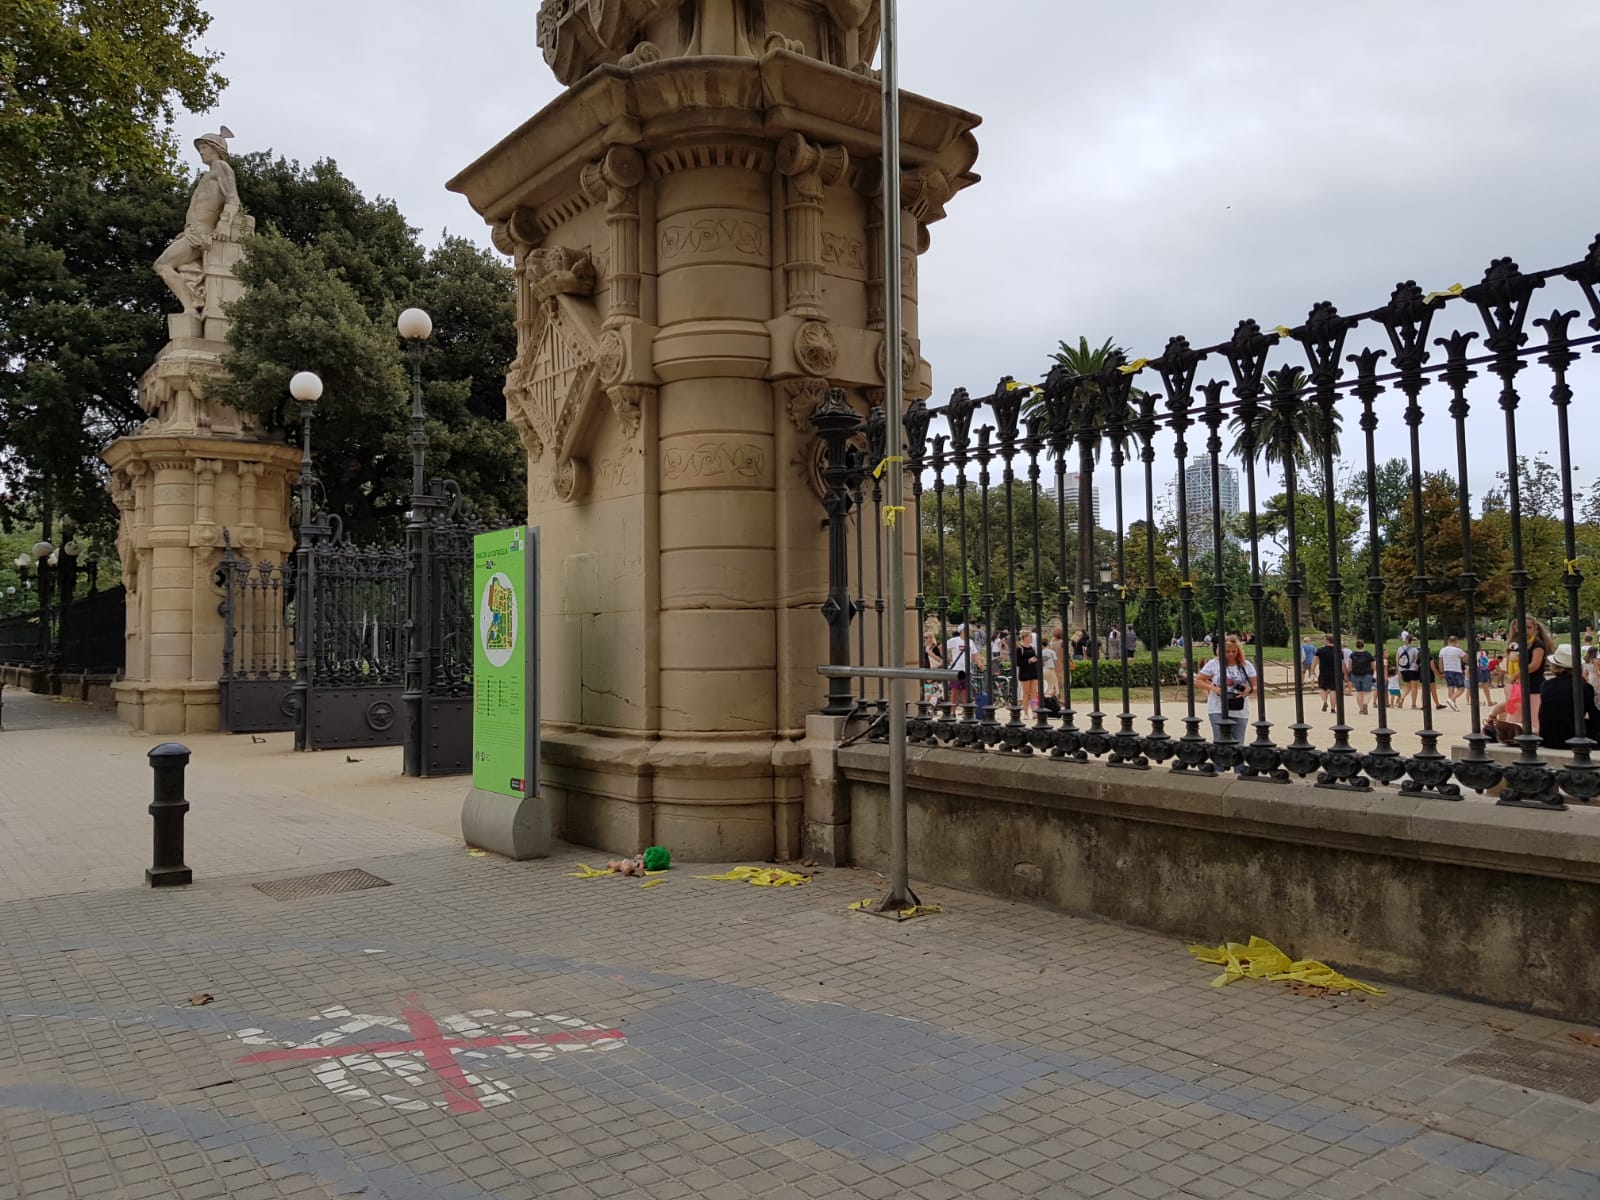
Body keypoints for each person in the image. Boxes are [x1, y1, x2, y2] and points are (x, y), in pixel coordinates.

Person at [155, 126, 240, 313]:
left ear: (215, 148)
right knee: (167, 266)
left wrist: (224, 223)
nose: (201, 152)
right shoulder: (208, 175)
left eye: (204, 147)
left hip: (202, 234)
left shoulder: (221, 167)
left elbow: (233, 198)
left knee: (162, 265)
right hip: (192, 233)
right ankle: (193, 304)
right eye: (200, 148)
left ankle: (190, 307)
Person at [1196, 634, 1256, 772]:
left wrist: (1249, 690)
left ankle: (1239, 770)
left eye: (1234, 651)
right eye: (1227, 651)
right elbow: (1198, 680)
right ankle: (1219, 769)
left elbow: (1256, 685)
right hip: (1218, 706)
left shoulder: (1246, 665)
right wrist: (1214, 688)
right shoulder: (1214, 664)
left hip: (1239, 707)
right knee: (1220, 740)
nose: (1230, 654)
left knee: (1238, 741)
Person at [1538, 644, 1600, 749]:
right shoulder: (1584, 687)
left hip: (1548, 737)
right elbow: (1594, 715)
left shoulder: (1546, 685)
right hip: (1573, 737)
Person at [1510, 618, 1552, 733]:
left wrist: (1516, 675)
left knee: (1535, 717)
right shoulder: (1522, 644)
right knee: (1515, 712)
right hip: (1522, 684)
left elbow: (1534, 665)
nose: (1525, 631)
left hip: (1534, 685)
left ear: (1535, 628)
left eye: (1529, 628)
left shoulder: (1537, 644)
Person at [945, 623, 983, 710]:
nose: (970, 631)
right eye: (968, 630)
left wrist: (979, 663)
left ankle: (966, 712)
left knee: (965, 692)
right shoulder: (954, 640)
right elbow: (942, 647)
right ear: (962, 630)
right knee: (955, 692)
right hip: (956, 670)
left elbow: (974, 654)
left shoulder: (970, 642)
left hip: (967, 670)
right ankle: (952, 712)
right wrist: (947, 657)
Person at [1438, 634, 1467, 711]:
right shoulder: (1457, 650)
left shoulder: (1442, 650)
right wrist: (1460, 648)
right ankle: (1452, 699)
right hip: (1456, 670)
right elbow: (1466, 658)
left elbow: (1440, 661)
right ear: (1455, 641)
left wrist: (1441, 671)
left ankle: (1453, 704)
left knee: (1450, 687)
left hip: (1447, 670)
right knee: (1461, 688)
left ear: (1448, 641)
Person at [1348, 638, 1377, 716]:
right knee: (1367, 692)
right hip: (1367, 674)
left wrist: (1349, 674)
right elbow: (1374, 665)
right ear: (1363, 645)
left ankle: (1361, 709)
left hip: (1355, 674)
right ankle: (1365, 703)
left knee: (1359, 692)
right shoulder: (1368, 654)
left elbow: (1350, 666)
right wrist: (1374, 672)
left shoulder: (1352, 654)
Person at [1313, 635, 1342, 713]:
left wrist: (1312, 670)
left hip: (1323, 672)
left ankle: (1325, 702)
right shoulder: (1338, 651)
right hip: (1334, 672)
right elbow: (1342, 663)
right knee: (1333, 690)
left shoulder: (1320, 650)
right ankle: (1333, 708)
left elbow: (1315, 661)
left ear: (1327, 641)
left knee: (1323, 688)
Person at [1016, 630, 1040, 712]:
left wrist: (1036, 659)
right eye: (1030, 637)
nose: (1031, 639)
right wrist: (1028, 661)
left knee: (1034, 692)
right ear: (1025, 637)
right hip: (1025, 672)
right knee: (1026, 693)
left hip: (1033, 671)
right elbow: (1018, 662)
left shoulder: (1032, 647)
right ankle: (1025, 712)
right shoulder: (1020, 649)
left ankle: (1034, 710)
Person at [1396, 632, 1421, 709]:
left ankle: (1402, 699)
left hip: (1403, 669)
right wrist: (1417, 666)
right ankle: (1413, 704)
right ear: (1411, 641)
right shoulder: (1415, 650)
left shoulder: (1400, 649)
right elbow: (1417, 660)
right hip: (1412, 669)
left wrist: (1398, 669)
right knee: (1414, 687)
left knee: (1407, 686)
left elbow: (1397, 659)